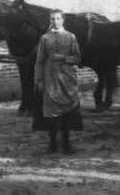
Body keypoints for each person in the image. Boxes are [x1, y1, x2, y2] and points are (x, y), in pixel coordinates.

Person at [33, 9, 83, 154]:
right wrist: (39, 80)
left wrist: (63, 58)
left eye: (58, 18)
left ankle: (67, 144)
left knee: (68, 111)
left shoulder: (71, 37)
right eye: (52, 19)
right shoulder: (45, 38)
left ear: (63, 20)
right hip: (50, 77)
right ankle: (53, 144)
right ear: (50, 21)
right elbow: (39, 61)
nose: (55, 21)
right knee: (51, 110)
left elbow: (77, 58)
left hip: (68, 78)